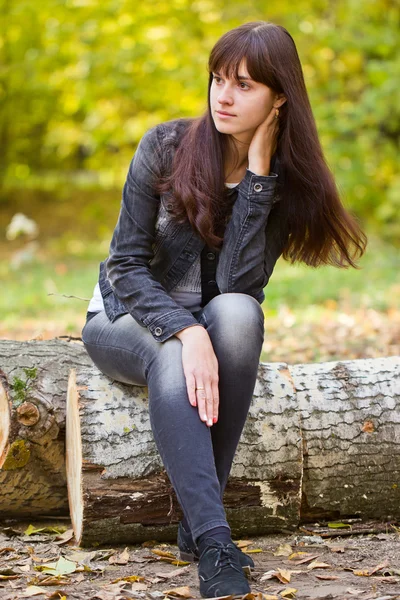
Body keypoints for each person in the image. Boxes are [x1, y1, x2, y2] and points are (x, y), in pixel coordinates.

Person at [81, 20, 367, 598]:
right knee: (173, 353)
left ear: (279, 96)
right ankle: (214, 538)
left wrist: (258, 178)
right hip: (127, 318)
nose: (223, 96)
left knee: (238, 315)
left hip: (213, 323)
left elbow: (241, 286)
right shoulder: (163, 146)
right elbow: (126, 267)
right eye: (217, 80)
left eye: (243, 85)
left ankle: (195, 522)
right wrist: (187, 332)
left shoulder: (286, 184)